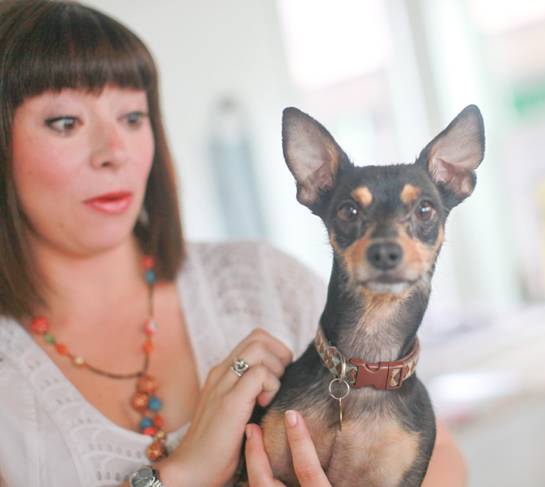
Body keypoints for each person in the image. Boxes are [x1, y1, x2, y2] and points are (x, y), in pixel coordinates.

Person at [0, 1, 467, 486]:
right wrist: (182, 473)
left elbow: (444, 469)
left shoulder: (264, 278)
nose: (113, 152)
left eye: (133, 118)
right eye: (64, 123)